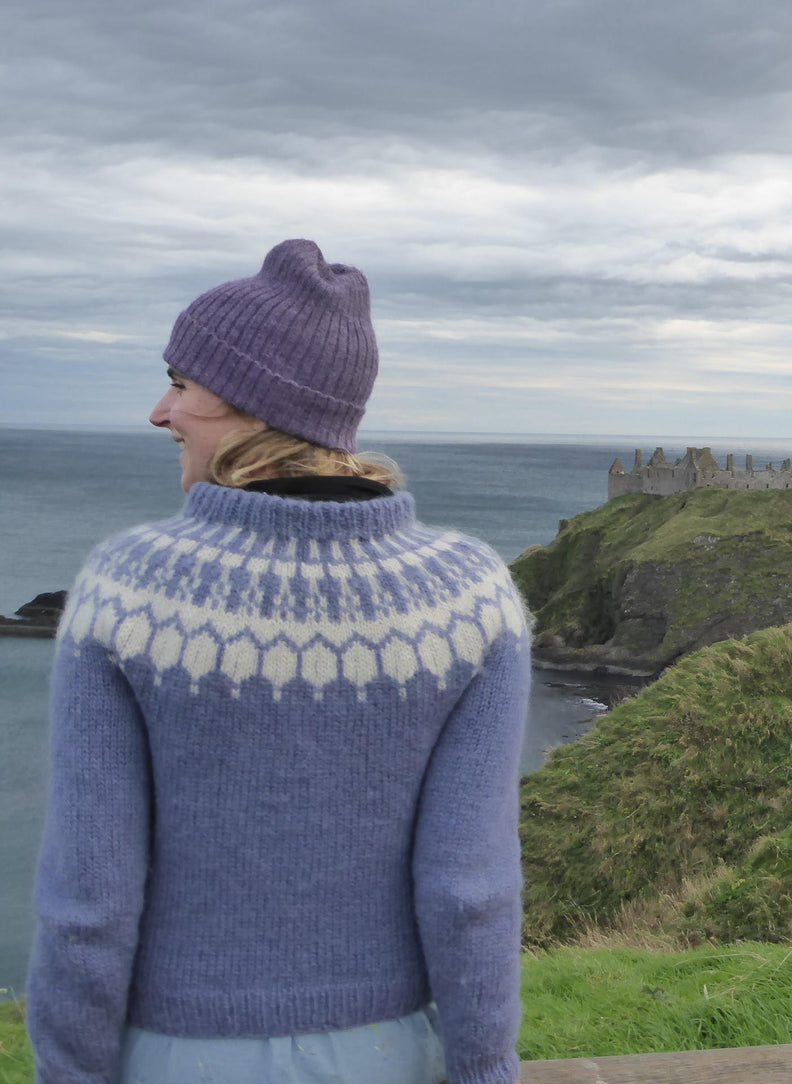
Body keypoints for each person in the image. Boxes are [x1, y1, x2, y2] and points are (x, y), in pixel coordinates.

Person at [26, 239, 531, 1084]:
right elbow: (468, 890)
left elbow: (89, 902)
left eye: (182, 385)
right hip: (389, 1051)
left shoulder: (129, 590)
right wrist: (485, 1071)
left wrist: (69, 1073)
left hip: (174, 1055)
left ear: (256, 403)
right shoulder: (472, 598)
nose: (161, 411)